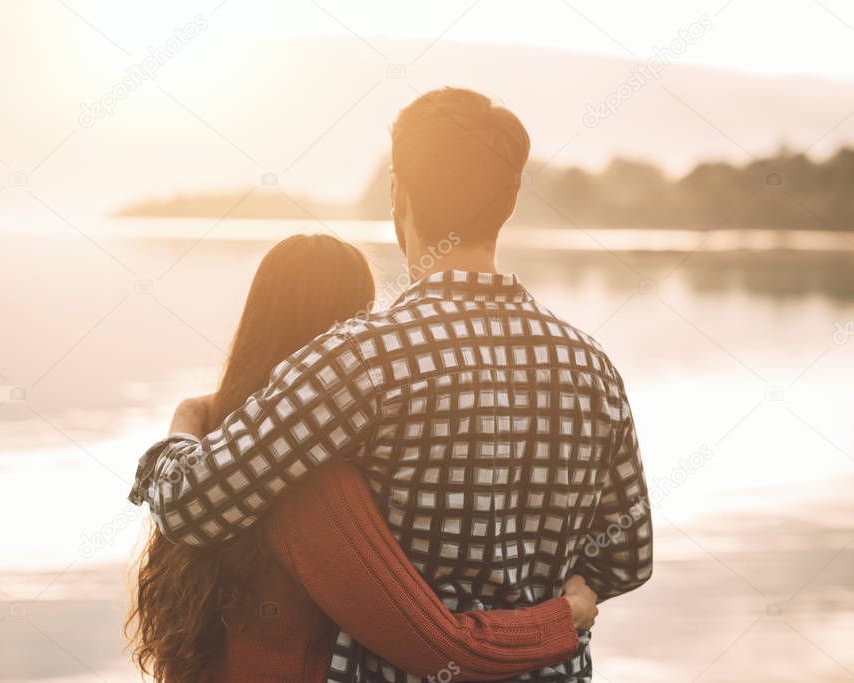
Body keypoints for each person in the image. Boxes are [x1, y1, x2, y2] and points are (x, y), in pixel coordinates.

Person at [130, 88, 653, 682]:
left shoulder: (359, 358)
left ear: (400, 196)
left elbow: (190, 505)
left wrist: (183, 428)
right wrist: (552, 603)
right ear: (509, 203)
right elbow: (626, 559)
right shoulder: (593, 367)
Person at [127, 234, 599, 683]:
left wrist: (187, 417)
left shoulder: (214, 454)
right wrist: (564, 619)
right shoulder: (314, 486)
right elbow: (443, 648)